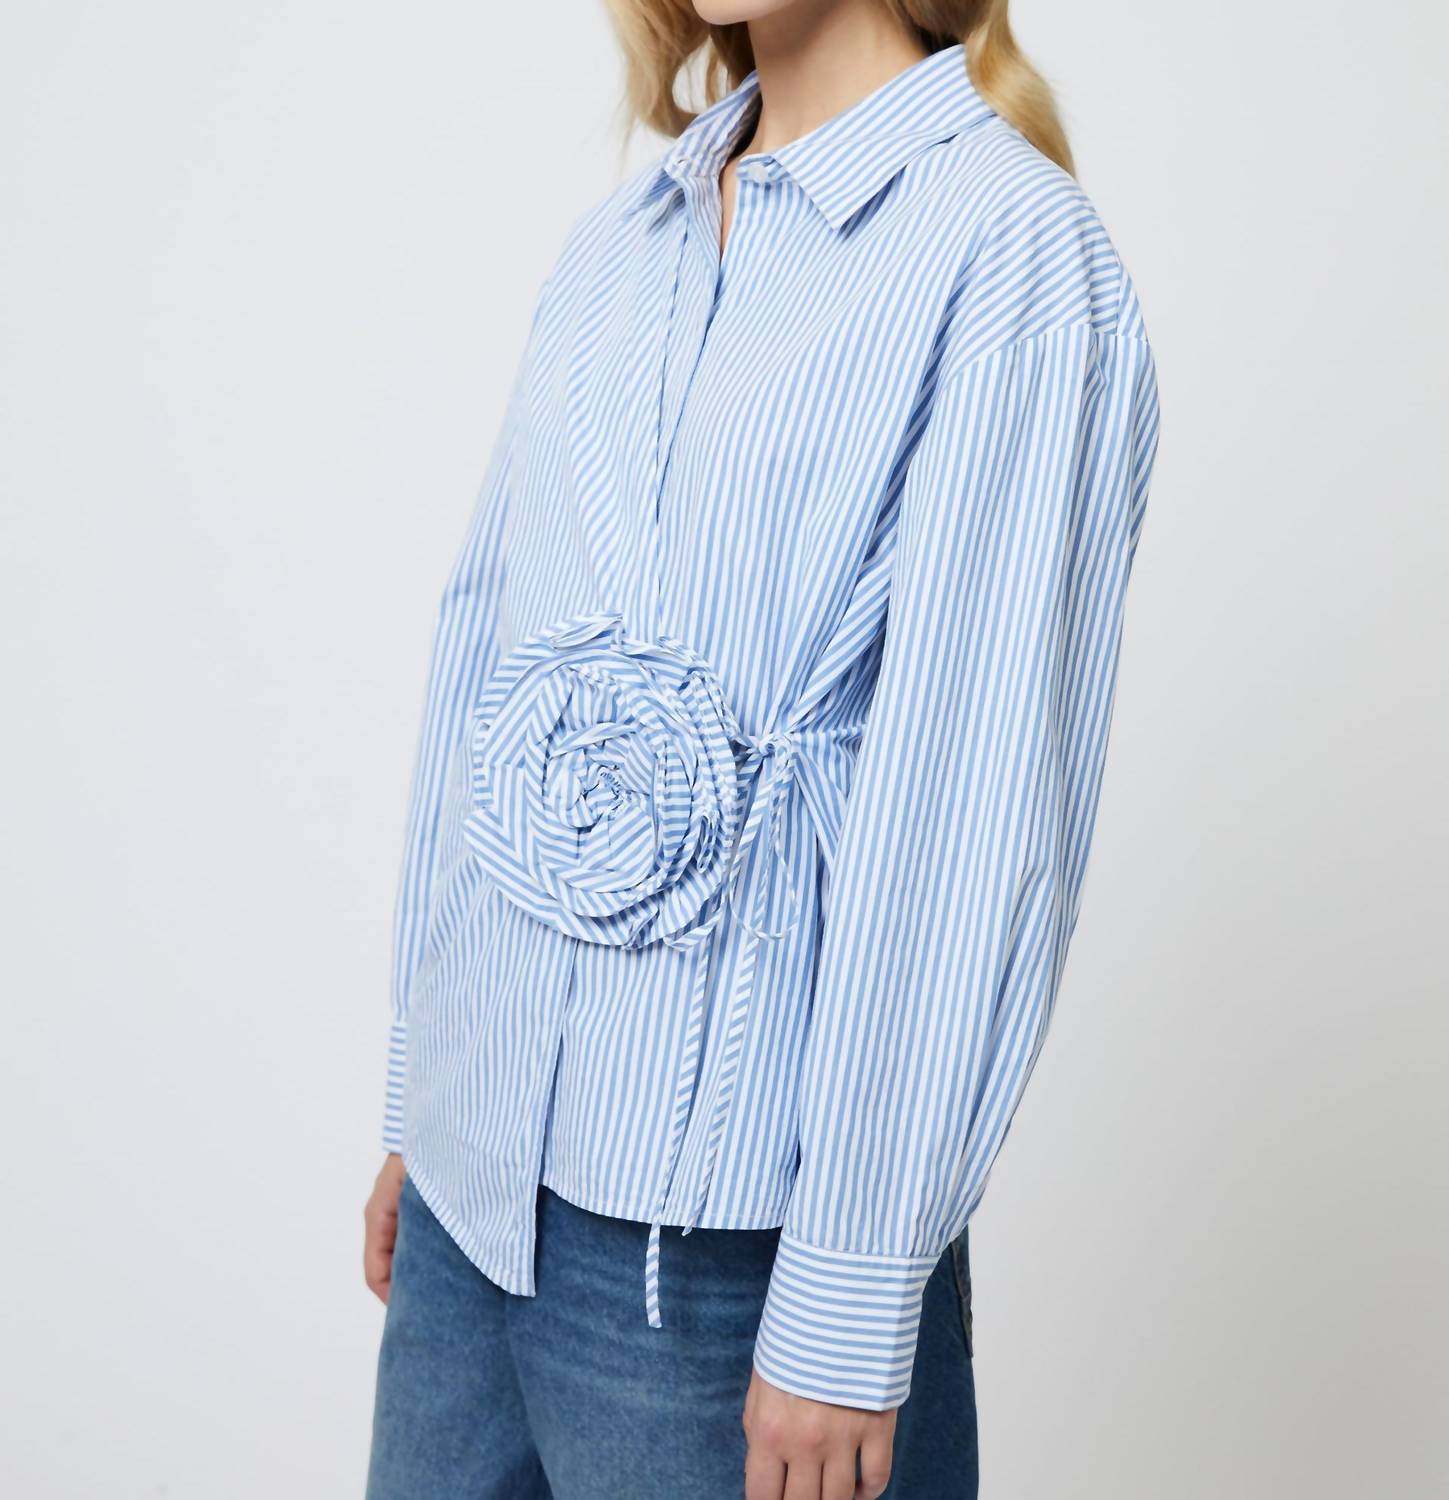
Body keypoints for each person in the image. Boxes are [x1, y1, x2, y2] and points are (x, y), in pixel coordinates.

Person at [362, 1, 1160, 1496]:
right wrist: (423, 1099)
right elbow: (487, 659)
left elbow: (968, 809)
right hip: (470, 1202)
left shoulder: (1010, 254)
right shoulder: (620, 246)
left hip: (721, 1265)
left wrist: (851, 1293)